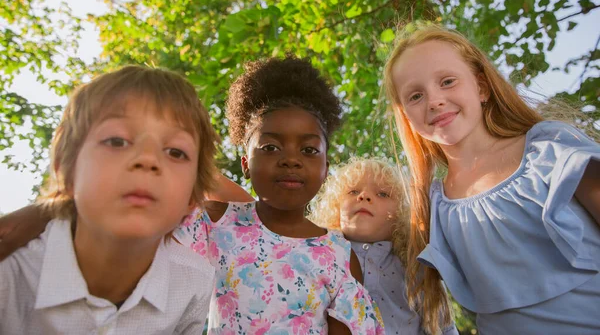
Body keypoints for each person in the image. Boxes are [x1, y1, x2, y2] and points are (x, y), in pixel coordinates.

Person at [383, 23, 600, 334]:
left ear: (481, 87)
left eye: (447, 81)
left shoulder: (549, 152)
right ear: (406, 115)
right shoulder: (433, 208)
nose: (434, 100)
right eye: (416, 96)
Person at [176, 56, 385, 334]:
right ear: (245, 164)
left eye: (308, 150)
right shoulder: (212, 223)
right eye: (271, 147)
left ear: (326, 168)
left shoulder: (339, 254)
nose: (290, 160)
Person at [0, 66, 216, 334]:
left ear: (192, 199)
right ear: (66, 171)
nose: (148, 159)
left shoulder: (195, 283)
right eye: (116, 141)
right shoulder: (9, 272)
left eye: (175, 152)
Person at [309, 157, 458, 335]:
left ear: (401, 214)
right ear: (336, 206)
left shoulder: (416, 267)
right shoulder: (317, 256)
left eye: (382, 194)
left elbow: (443, 327)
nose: (363, 196)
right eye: (353, 191)